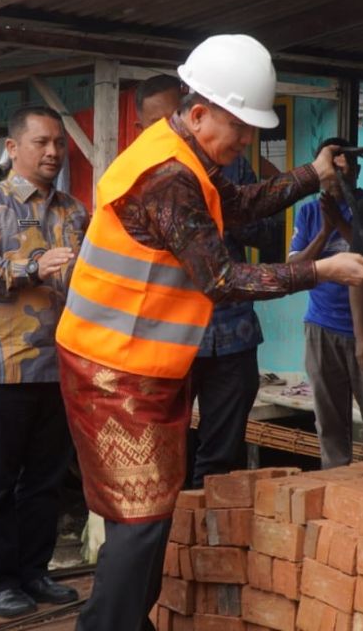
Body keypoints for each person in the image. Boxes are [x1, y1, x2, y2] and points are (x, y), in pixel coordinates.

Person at [55, 34, 363, 631]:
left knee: (149, 516)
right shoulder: (167, 177)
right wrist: (321, 269)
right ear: (199, 113)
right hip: (112, 369)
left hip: (138, 364)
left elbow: (240, 205)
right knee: (141, 519)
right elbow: (223, 278)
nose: (248, 141)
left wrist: (312, 172)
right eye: (241, 127)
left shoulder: (189, 160)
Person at [0, 106, 88, 619]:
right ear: (13, 148)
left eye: (59, 143)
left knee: (45, 478)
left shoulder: (74, 212)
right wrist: (34, 265)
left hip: (59, 365)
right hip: (1, 363)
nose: (53, 151)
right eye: (41, 142)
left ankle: (35, 571)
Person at [133, 75, 268, 487]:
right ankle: (172, 547)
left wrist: (216, 217)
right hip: (170, 340)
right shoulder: (147, 173)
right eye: (157, 124)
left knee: (221, 461)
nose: (172, 131)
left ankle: (209, 546)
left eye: (175, 117)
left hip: (232, 334)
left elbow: (263, 229)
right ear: (143, 130)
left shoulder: (228, 162)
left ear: (195, 114)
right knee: (162, 460)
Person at [289, 137, 363, 466]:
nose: (338, 179)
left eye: (345, 171)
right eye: (332, 171)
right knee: (330, 424)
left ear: (356, 171)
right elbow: (295, 268)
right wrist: (324, 231)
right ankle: (334, 489)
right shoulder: (310, 212)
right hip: (321, 328)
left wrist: (340, 224)